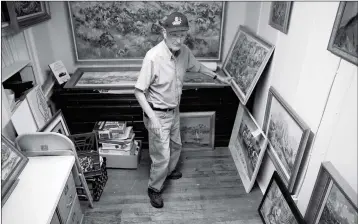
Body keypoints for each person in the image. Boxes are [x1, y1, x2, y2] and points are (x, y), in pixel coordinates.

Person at [134, 12, 231, 208]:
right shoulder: (153, 57)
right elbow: (138, 92)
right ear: (164, 32)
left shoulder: (184, 51)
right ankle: (154, 188)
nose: (179, 39)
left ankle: (169, 171)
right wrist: (152, 118)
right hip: (157, 113)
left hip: (174, 110)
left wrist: (217, 77)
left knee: (176, 145)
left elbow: (197, 67)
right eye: (174, 34)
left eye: (182, 34)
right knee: (161, 155)